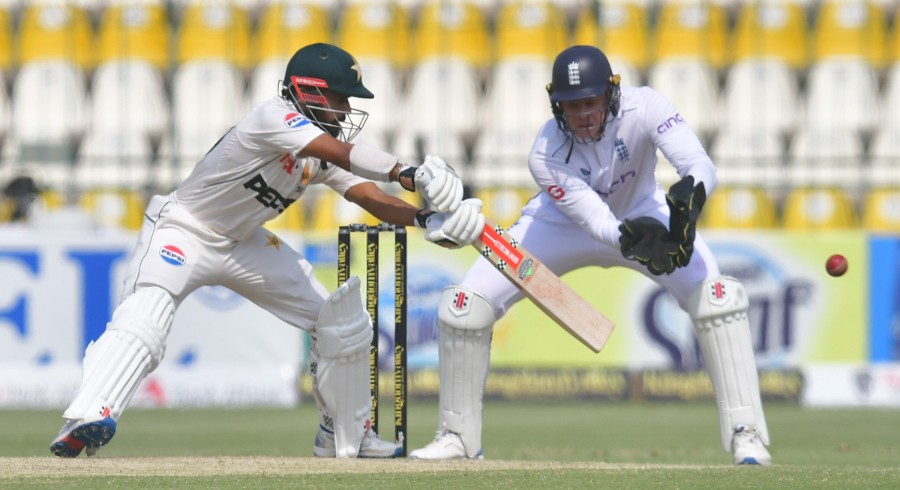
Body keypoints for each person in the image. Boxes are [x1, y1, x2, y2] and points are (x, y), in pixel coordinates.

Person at [50, 42, 486, 459]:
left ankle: (343, 434)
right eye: (341, 99)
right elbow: (343, 152)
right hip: (183, 229)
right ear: (310, 92)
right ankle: (88, 413)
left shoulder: (320, 154)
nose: (348, 110)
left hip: (243, 242)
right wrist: (406, 171)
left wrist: (425, 219)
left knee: (341, 321)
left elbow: (369, 196)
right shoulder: (272, 117)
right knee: (146, 318)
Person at [409, 45, 772, 466]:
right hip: (559, 222)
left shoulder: (647, 106)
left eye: (590, 103)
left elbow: (697, 160)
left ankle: (747, 433)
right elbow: (597, 221)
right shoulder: (545, 151)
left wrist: (692, 194)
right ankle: (457, 437)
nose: (582, 115)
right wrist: (632, 238)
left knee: (719, 298)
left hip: (643, 208)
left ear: (611, 94)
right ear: (555, 104)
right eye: (571, 106)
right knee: (464, 306)